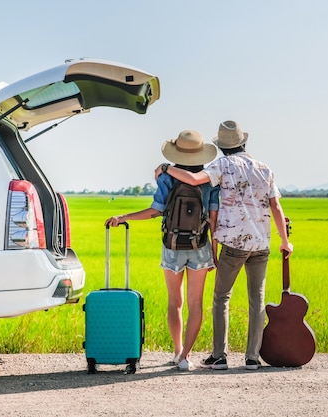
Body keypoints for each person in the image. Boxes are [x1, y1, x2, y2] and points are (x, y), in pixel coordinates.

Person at [155, 120, 293, 370]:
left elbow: (196, 180)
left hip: (233, 242)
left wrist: (166, 168)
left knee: (221, 297)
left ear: (221, 147)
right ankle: (252, 358)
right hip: (261, 244)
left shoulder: (222, 164)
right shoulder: (264, 168)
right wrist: (285, 241)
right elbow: (276, 206)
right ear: (243, 142)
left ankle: (219, 356)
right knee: (257, 300)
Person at [106, 130, 219, 371]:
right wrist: (215, 254)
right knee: (196, 303)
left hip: (172, 245)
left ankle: (177, 350)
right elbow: (213, 218)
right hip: (200, 246)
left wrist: (123, 216)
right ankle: (186, 357)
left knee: (174, 301)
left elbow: (155, 210)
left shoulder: (167, 177)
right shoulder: (208, 179)